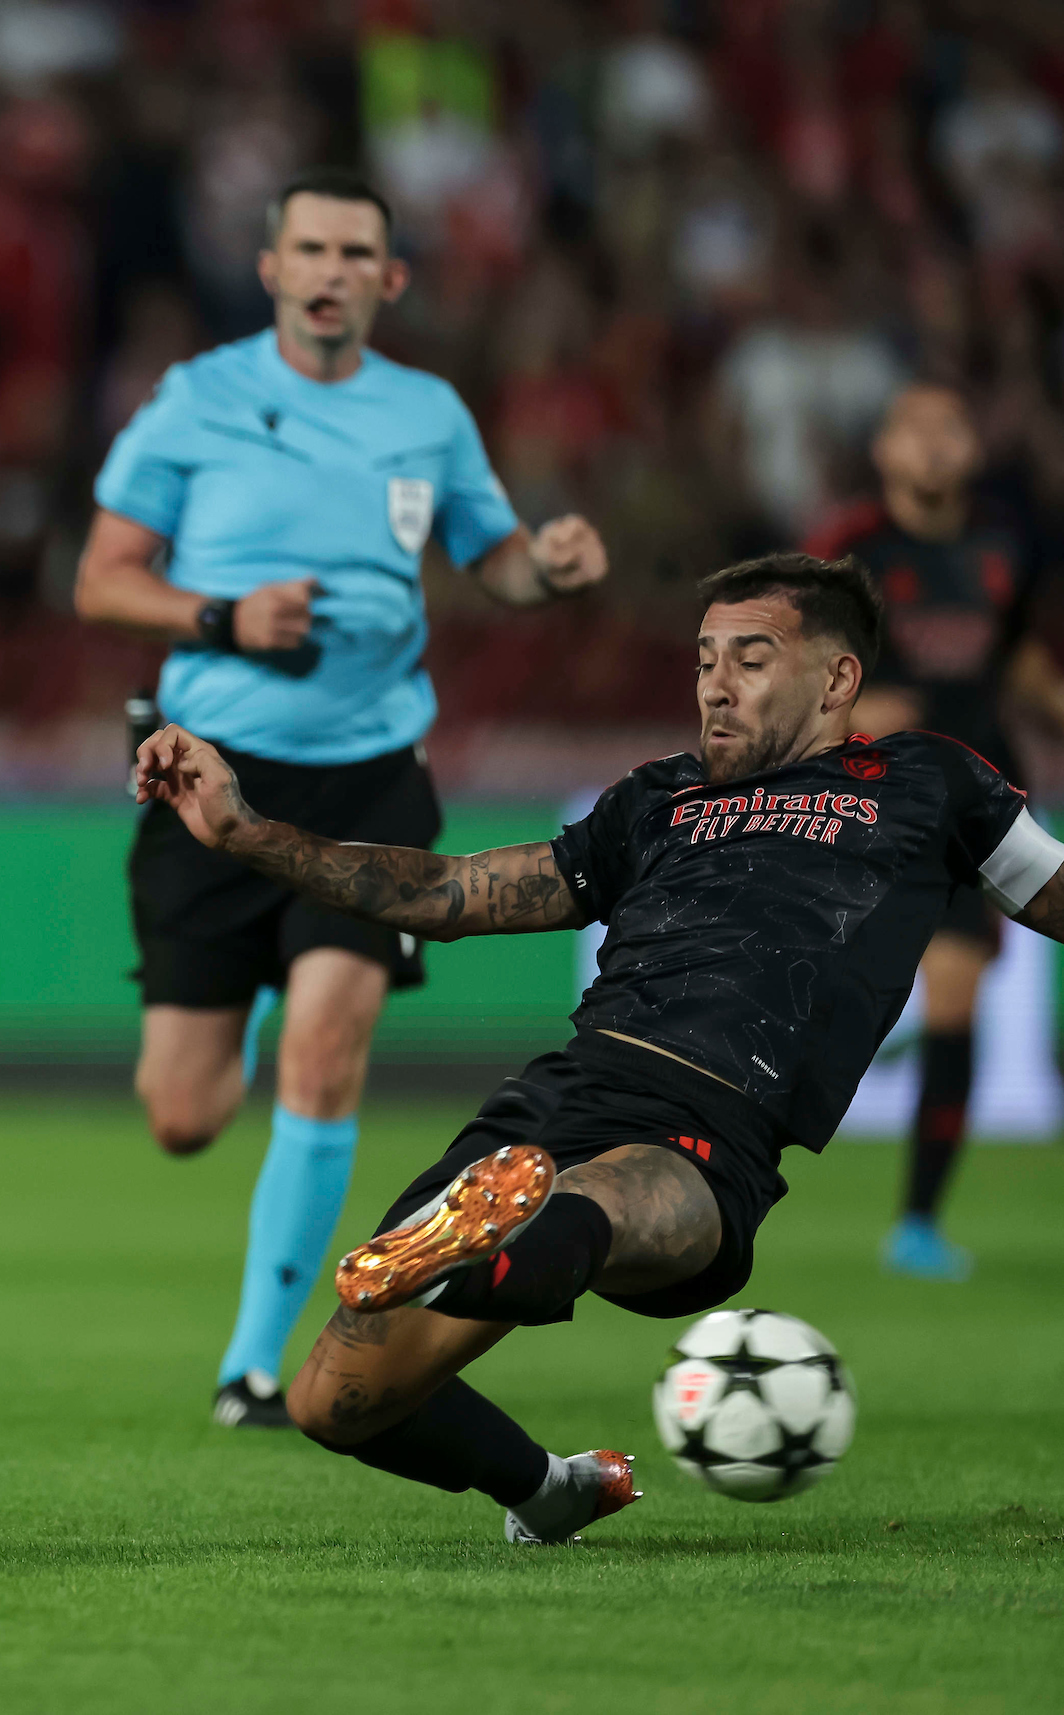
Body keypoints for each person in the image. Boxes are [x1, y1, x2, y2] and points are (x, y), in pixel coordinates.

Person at [132, 552, 1064, 1543]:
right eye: (705, 657)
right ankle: (549, 1484)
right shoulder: (656, 798)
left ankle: (484, 1247)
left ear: (837, 679)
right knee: (334, 1399)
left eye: (751, 657)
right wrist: (242, 830)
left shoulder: (928, 781)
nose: (716, 679)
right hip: (560, 1093)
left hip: (712, 1125)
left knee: (599, 1198)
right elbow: (443, 891)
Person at [73, 167, 610, 1430]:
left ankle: (253, 1370)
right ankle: (258, 975)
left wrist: (552, 563)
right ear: (269, 269)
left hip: (373, 775)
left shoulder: (427, 414)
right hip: (210, 773)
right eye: (307, 248)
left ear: (389, 277)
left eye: (353, 251)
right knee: (186, 1114)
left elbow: (497, 561)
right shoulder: (198, 399)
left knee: (329, 1053)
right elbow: (101, 580)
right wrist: (221, 617)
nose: (328, 271)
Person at [805, 382, 1064, 1281]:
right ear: (884, 450)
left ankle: (917, 1221)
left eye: (951, 426)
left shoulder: (1007, 541)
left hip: (973, 801)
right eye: (915, 429)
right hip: (863, 797)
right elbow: (789, 655)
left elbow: (1017, 657)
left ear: (971, 444)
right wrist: (848, 702)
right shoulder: (851, 548)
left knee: (955, 990)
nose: (934, 444)